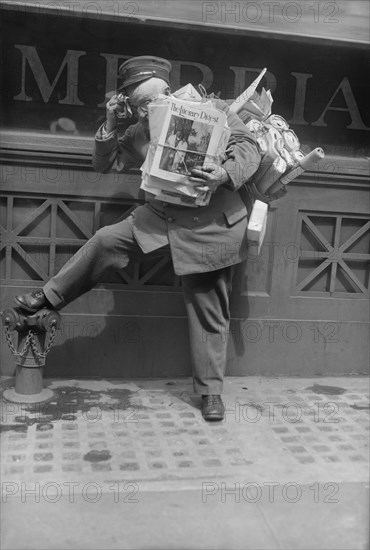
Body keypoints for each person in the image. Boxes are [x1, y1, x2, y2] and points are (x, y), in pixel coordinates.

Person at [14, 55, 262, 421]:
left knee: (208, 309)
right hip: (161, 217)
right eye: (144, 104)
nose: (154, 106)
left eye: (159, 96)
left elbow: (249, 150)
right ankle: (49, 296)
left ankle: (210, 393)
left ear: (169, 89)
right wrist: (110, 124)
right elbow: (105, 164)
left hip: (213, 223)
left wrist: (223, 173)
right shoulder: (139, 131)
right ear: (134, 104)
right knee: (107, 240)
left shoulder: (217, 108)